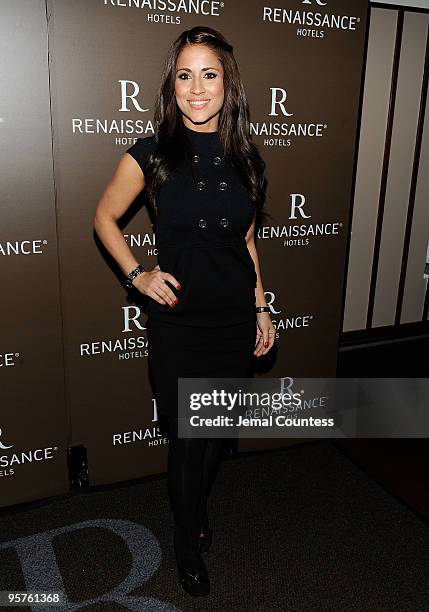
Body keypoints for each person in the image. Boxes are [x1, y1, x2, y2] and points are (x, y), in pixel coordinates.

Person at [94, 25, 275, 598]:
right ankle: (186, 537)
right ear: (171, 86)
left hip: (232, 321)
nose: (198, 88)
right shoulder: (150, 154)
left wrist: (262, 309)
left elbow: (246, 244)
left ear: (229, 84)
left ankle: (195, 513)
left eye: (210, 74)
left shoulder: (247, 160)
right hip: (179, 323)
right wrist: (137, 275)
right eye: (185, 75)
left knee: (215, 434)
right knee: (187, 439)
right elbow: (103, 219)